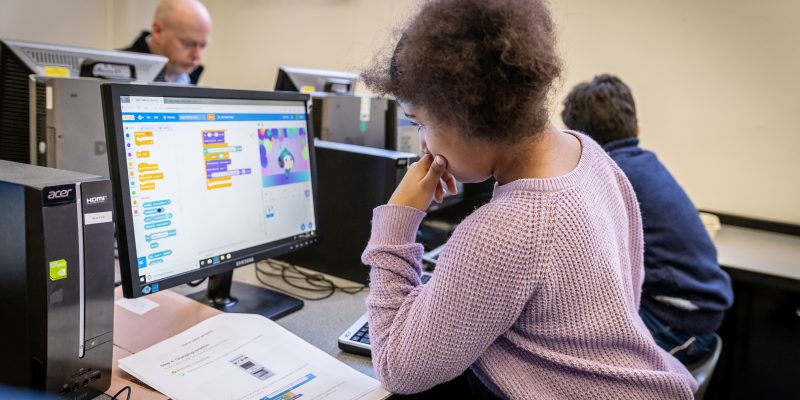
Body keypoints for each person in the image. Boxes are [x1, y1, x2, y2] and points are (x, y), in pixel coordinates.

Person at [359, 0, 697, 398]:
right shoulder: (589, 155)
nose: (423, 144)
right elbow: (626, 288)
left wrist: (397, 224)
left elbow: (397, 370)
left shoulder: (505, 229)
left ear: (464, 114)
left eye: (421, 123)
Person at [561, 74, 734, 365]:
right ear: (637, 128)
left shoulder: (609, 177)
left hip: (678, 324)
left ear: (578, 140)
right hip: (699, 313)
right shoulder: (645, 164)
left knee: (563, 349)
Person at [123, 0, 212, 84]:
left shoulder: (190, 78)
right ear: (158, 31)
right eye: (188, 43)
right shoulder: (114, 71)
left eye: (203, 46)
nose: (197, 56)